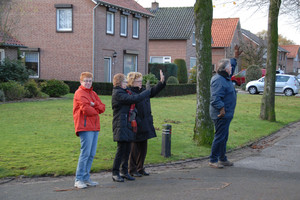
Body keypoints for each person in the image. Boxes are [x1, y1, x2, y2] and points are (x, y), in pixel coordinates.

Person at [111, 73, 151, 182]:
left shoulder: (124, 92)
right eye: (124, 82)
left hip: (127, 124)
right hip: (120, 124)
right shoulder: (118, 94)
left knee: (127, 149)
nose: (126, 83)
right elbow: (135, 98)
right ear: (119, 83)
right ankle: (115, 173)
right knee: (121, 150)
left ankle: (124, 172)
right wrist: (147, 91)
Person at [127, 70, 165, 177]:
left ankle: (140, 167)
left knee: (143, 147)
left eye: (141, 81)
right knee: (134, 147)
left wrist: (161, 82)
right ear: (132, 82)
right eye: (138, 81)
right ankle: (132, 169)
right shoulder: (130, 92)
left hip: (146, 122)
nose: (140, 83)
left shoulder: (142, 90)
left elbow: (152, 92)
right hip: (136, 122)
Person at [73, 72, 106, 188]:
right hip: (85, 127)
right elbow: (87, 110)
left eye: (90, 80)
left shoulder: (93, 93)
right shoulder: (79, 93)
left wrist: (94, 104)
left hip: (95, 127)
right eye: (86, 80)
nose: (88, 83)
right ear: (81, 81)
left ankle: (86, 178)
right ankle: (79, 179)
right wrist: (95, 108)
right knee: (85, 153)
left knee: (91, 154)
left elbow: (103, 107)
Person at [209, 59, 237, 169]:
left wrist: (234, 59)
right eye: (230, 67)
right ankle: (213, 159)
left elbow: (232, 69)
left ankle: (222, 158)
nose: (231, 68)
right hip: (221, 115)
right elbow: (215, 98)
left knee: (224, 137)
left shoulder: (225, 77)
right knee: (220, 137)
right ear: (226, 69)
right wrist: (221, 109)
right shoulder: (218, 80)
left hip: (227, 114)